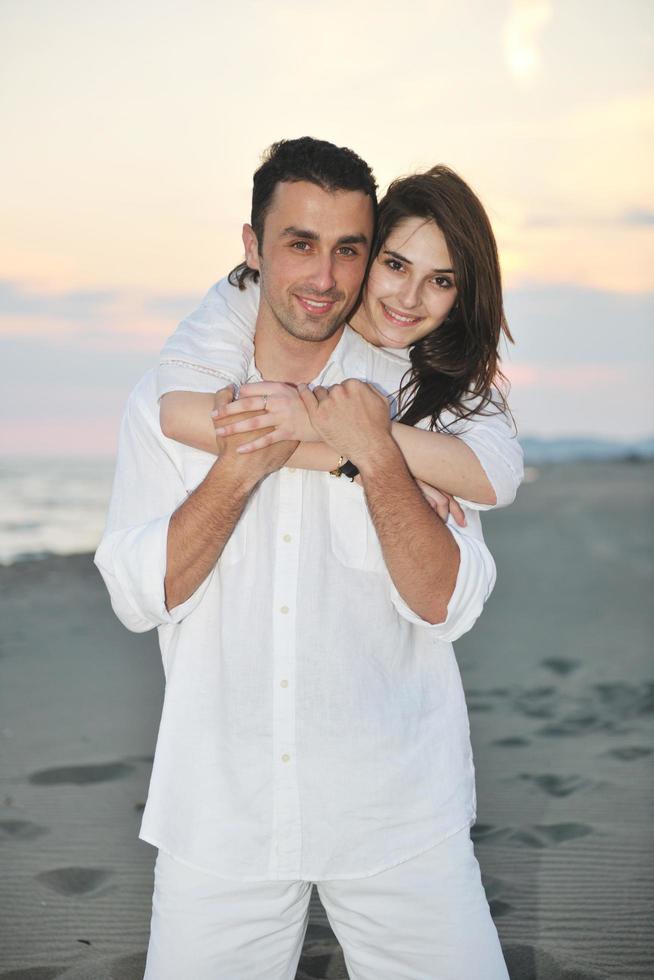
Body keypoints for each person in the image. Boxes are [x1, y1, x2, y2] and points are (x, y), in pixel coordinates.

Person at [95, 137, 510, 979]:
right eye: (299, 244)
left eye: (349, 250)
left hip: (399, 814)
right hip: (221, 815)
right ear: (251, 249)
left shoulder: (415, 398)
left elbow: (449, 605)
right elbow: (140, 593)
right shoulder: (177, 390)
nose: (325, 276)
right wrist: (252, 460)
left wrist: (381, 458)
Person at [155, 164, 523, 519]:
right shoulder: (258, 296)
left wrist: (325, 426)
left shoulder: (443, 364)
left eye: (441, 281)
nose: (410, 298)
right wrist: (361, 464)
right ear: (365, 256)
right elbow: (181, 416)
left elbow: (497, 478)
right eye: (396, 265)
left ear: (462, 295)